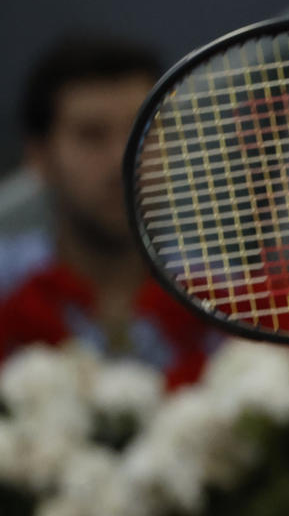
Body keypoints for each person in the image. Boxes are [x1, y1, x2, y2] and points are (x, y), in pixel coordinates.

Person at [0, 37, 183, 362]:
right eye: (92, 134)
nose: (121, 159)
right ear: (39, 158)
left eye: (143, 130)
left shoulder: (229, 296)